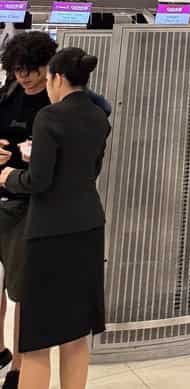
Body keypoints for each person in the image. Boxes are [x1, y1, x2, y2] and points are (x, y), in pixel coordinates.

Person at [0, 48, 110, 389]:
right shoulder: (98, 117)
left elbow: (38, 182)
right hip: (89, 227)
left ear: (57, 78)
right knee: (75, 333)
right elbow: (89, 171)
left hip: (50, 233)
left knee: (37, 338)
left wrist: (4, 176)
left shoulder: (49, 116)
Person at [0, 32, 59, 389]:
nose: (25, 77)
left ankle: (20, 367)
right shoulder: (7, 96)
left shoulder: (56, 107)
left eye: (32, 70)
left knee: (22, 290)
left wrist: (21, 156)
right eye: (18, 69)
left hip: (29, 206)